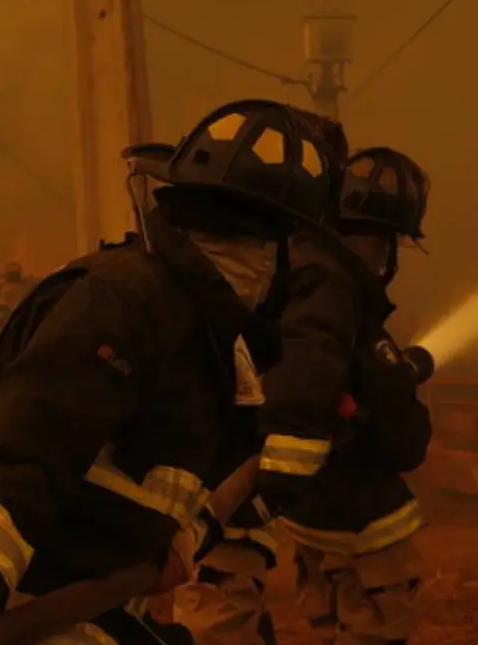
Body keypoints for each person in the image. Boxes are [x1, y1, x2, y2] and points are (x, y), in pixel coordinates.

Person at [0, 99, 345, 645]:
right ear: (270, 247)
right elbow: (30, 439)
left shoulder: (218, 334)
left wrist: (180, 541)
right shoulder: (122, 304)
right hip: (29, 597)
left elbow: (199, 472)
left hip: (102, 589)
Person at [169, 111, 348, 645]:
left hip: (201, 497)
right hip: (224, 507)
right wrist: (273, 491)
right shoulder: (305, 269)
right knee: (216, 619)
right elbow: (300, 375)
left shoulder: (225, 254)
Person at [257, 146, 435, 645]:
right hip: (366, 526)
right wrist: (393, 383)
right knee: (376, 627)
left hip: (313, 520)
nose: (383, 252)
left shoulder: (293, 275)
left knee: (327, 626)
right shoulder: (337, 292)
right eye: (383, 240)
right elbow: (404, 442)